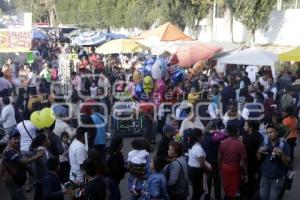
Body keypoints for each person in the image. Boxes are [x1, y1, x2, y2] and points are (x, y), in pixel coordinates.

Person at [0, 129, 44, 200]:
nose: (17, 140)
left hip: (15, 179)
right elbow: (22, 161)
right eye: (15, 139)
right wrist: (36, 156)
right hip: (11, 181)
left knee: (14, 197)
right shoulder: (9, 151)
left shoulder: (15, 147)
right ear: (9, 140)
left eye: (19, 138)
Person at [257, 124, 291, 200]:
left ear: (277, 132)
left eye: (271, 132)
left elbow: (288, 163)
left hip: (277, 177)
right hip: (265, 175)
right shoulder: (265, 142)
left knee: (274, 198)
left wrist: (282, 153)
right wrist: (259, 151)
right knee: (263, 197)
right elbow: (258, 158)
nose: (269, 134)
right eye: (267, 133)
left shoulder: (284, 144)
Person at [218, 124, 248, 200]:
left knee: (227, 187)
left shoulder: (223, 143)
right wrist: (246, 174)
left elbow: (219, 158)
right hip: (234, 169)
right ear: (237, 132)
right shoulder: (241, 145)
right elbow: (244, 161)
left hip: (225, 167)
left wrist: (220, 169)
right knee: (235, 189)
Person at [242, 120, 263, 199]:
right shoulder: (255, 134)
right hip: (255, 162)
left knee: (251, 179)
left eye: (246, 125)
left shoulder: (252, 137)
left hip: (252, 162)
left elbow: (247, 151)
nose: (244, 127)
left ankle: (251, 195)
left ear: (251, 128)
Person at [30, 133, 52, 200]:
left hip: (38, 180)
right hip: (44, 181)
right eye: (48, 139)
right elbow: (47, 168)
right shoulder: (44, 153)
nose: (49, 140)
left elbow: (32, 167)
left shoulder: (36, 150)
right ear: (44, 141)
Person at [187, 129, 207, 200]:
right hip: (196, 171)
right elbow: (201, 164)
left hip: (191, 169)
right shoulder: (198, 148)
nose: (203, 137)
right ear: (198, 137)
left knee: (197, 190)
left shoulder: (193, 145)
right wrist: (207, 169)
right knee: (198, 191)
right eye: (202, 136)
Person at [106, 136, 126, 200]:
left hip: (107, 178)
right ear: (120, 144)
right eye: (122, 143)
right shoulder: (117, 155)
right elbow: (119, 170)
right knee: (116, 197)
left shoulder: (108, 151)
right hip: (113, 180)